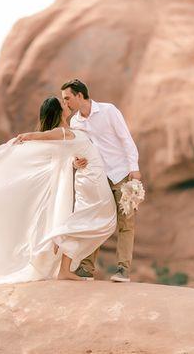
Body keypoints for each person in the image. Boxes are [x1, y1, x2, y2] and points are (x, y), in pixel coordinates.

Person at [0, 96, 116, 285]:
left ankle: (62, 266)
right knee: (77, 222)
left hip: (65, 185)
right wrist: (30, 136)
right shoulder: (60, 132)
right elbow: (51, 137)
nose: (67, 104)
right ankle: (63, 268)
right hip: (61, 186)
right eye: (63, 104)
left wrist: (75, 161)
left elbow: (68, 151)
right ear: (58, 112)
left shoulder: (69, 130)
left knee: (74, 222)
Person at [61, 79, 141, 283]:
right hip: (98, 177)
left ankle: (123, 269)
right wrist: (76, 160)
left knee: (126, 223)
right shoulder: (75, 122)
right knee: (95, 218)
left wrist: (134, 168)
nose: (66, 103)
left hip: (122, 173)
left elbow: (125, 138)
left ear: (80, 96)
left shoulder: (109, 111)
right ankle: (86, 268)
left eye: (68, 98)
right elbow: (80, 148)